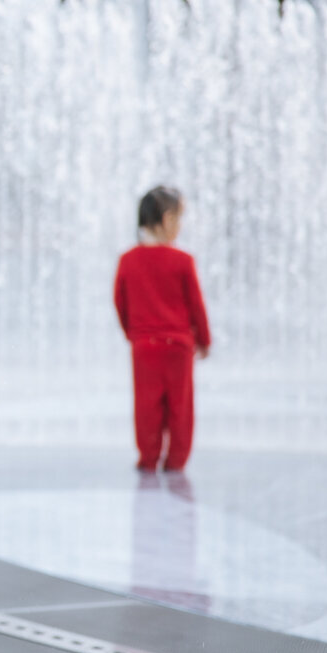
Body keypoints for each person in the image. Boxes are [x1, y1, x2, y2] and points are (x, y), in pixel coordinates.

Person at [113, 185, 211, 473]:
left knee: (147, 405)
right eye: (179, 219)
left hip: (144, 346)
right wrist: (203, 340)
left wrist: (132, 333)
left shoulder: (128, 261)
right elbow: (196, 305)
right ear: (168, 220)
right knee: (180, 407)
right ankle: (176, 460)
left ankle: (148, 457)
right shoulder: (183, 262)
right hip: (179, 347)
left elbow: (120, 301)